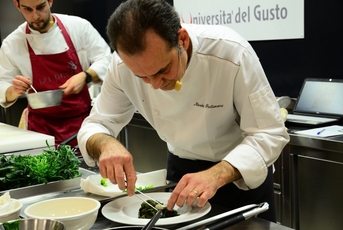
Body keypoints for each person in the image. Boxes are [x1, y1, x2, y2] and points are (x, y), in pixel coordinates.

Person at [77, 0, 290, 222]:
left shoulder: (231, 53)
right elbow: (96, 124)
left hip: (240, 178)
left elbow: (269, 133)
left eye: (163, 70)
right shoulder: (120, 66)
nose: (155, 84)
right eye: (142, 77)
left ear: (182, 40)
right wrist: (106, 144)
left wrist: (218, 174)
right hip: (182, 175)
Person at [0, 0, 111, 146]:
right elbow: (2, 83)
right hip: (40, 130)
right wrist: (13, 91)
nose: (35, 16)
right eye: (27, 9)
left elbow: (106, 59)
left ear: (50, 1)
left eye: (40, 7)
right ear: (17, 5)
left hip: (82, 125)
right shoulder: (12, 43)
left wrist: (85, 76)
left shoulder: (78, 27)